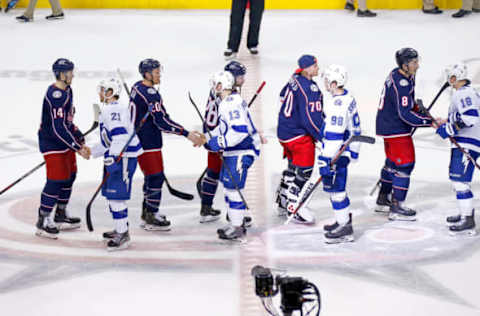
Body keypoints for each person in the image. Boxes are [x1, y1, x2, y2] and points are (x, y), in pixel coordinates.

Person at [130, 59, 205, 231]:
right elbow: (162, 121)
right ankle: (151, 215)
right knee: (155, 177)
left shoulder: (136, 87)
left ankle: (147, 211)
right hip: (148, 143)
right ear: (147, 74)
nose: (159, 74)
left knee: (151, 177)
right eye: (156, 72)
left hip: (140, 141)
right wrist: (187, 134)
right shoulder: (151, 94)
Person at [375, 48, 436, 221]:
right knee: (405, 165)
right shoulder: (400, 83)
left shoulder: (400, 75)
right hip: (396, 129)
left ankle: (383, 198)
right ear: (404, 65)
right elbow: (405, 114)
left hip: (388, 126)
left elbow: (407, 105)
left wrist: (419, 111)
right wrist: (427, 121)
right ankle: (397, 206)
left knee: (393, 163)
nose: (417, 65)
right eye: (414, 62)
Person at [36, 58, 90, 239]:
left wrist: (77, 133)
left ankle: (60, 213)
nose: (72, 75)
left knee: (70, 176)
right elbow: (57, 128)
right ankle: (43, 220)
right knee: (56, 179)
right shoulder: (55, 95)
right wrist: (76, 146)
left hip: (63, 140)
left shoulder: (68, 90)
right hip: (52, 142)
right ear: (61, 74)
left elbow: (67, 122)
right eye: (69, 72)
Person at [206, 71, 261, 242]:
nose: (214, 88)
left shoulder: (229, 103)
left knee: (234, 190)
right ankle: (235, 223)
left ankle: (237, 228)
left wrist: (219, 142)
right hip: (234, 151)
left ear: (221, 85)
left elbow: (239, 131)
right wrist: (209, 138)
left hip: (240, 152)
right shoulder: (229, 101)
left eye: (216, 84)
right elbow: (226, 128)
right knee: (229, 189)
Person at [89, 78, 143, 251]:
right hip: (119, 155)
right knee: (113, 195)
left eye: (103, 90)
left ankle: (123, 235)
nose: (100, 93)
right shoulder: (110, 109)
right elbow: (108, 140)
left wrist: (113, 157)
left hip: (124, 156)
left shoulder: (114, 109)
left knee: (116, 196)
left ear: (110, 92)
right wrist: (91, 152)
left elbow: (120, 136)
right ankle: (120, 228)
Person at [275, 54, 325, 224]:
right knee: (305, 171)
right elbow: (310, 119)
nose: (318, 68)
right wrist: (322, 137)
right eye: (315, 65)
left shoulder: (294, 78)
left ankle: (282, 200)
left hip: (284, 132)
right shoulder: (309, 89)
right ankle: (294, 205)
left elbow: (282, 96)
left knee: (293, 166)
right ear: (307, 68)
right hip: (298, 136)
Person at [199, 61, 248, 224]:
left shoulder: (218, 89)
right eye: (240, 76)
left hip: (213, 136)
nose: (243, 79)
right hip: (221, 138)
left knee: (213, 172)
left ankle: (206, 208)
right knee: (229, 176)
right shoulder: (228, 96)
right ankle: (232, 214)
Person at [434, 63, 480, 235]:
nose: (448, 80)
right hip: (467, 141)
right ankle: (465, 214)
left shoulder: (463, 94)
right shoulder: (467, 93)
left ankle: (468, 220)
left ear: (454, 78)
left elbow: (470, 118)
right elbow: (463, 117)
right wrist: (446, 122)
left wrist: (448, 130)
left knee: (459, 181)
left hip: (467, 143)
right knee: (460, 181)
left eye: (450, 77)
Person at [319, 65, 361, 243]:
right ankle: (341, 220)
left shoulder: (338, 104)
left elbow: (335, 136)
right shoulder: (346, 97)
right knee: (335, 190)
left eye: (328, 81)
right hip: (343, 150)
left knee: (337, 190)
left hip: (337, 152)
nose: (325, 83)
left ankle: (345, 227)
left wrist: (325, 159)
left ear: (335, 83)